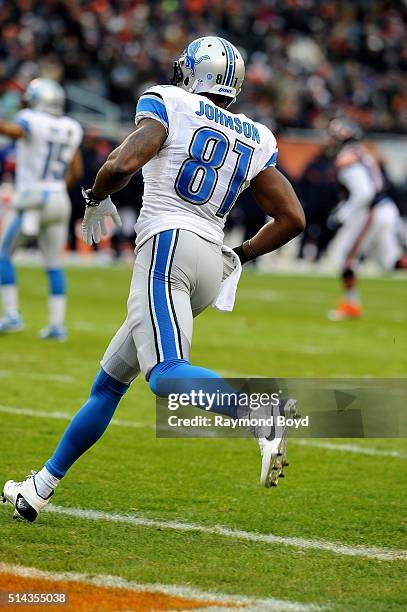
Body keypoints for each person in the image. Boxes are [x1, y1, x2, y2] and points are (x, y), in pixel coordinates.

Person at [2, 37, 305, 522]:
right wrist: (241, 255)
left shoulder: (170, 100)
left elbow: (122, 163)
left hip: (167, 247)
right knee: (108, 384)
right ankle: (39, 487)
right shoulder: (256, 135)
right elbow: (292, 218)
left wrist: (96, 197)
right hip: (209, 258)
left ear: (193, 73)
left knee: (165, 376)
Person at [0, 79, 83, 339]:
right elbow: (77, 170)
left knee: (3, 255)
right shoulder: (71, 126)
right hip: (59, 197)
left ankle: (12, 315)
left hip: (33, 199)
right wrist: (56, 186)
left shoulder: (30, 119)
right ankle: (57, 325)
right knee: (54, 264)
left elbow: (16, 132)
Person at [326, 119, 406, 320]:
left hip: (372, 211)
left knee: (345, 259)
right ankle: (351, 305)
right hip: (383, 209)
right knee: (390, 263)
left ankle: (351, 305)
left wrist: (341, 216)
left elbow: (364, 193)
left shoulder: (348, 156)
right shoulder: (362, 152)